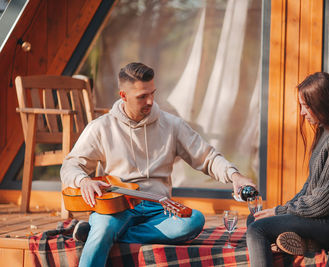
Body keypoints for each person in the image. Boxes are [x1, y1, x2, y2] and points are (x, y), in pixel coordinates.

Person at [60, 62, 254, 267]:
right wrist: (83, 181)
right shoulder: (101, 128)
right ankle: (102, 234)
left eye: (152, 93)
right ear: (123, 96)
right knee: (103, 228)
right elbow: (70, 165)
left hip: (160, 209)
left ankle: (105, 235)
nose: (151, 101)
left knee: (193, 221)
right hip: (115, 207)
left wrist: (235, 176)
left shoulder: (172, 125)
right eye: (142, 96)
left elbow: (207, 157)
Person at [246, 72, 329, 266]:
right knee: (253, 219)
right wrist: (281, 210)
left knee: (258, 230)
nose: (302, 113)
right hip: (324, 220)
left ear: (323, 104)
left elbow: (323, 201)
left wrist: (280, 211)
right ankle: (307, 242)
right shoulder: (326, 131)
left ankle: (307, 240)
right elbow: (310, 187)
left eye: (306, 106)